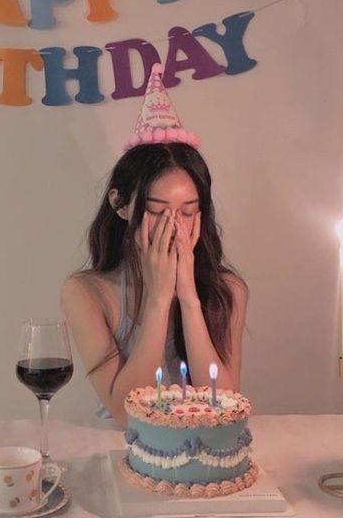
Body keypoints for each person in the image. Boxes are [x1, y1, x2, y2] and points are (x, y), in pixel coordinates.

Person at [60, 65, 247, 427]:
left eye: (188, 212)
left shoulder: (230, 291)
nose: (174, 228)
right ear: (121, 204)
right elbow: (126, 414)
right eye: (157, 212)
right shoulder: (86, 293)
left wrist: (189, 298)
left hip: (197, 458)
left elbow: (224, 403)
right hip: (118, 454)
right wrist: (160, 299)